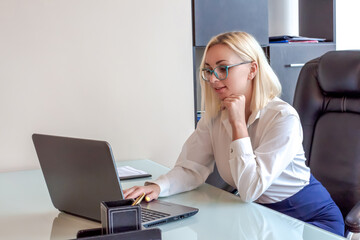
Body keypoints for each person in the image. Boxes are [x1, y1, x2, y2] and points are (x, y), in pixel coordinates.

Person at [123, 31, 344, 236]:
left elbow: (250, 189)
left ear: (252, 70)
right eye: (208, 70)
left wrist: (238, 123)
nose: (212, 78)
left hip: (310, 221)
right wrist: (157, 187)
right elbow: (191, 168)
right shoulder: (214, 117)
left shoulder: (282, 118)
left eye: (222, 68)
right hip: (260, 215)